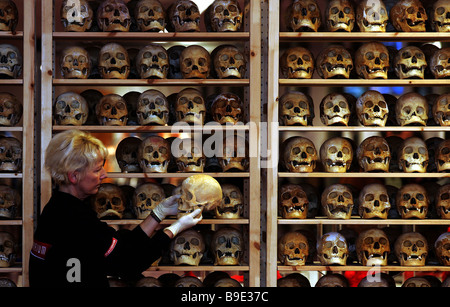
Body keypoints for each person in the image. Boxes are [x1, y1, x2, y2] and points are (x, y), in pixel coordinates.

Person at [29, 130, 202, 287]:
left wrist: (158, 214)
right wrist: (175, 229)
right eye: (97, 170)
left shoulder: (57, 209)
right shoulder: (75, 219)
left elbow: (120, 246)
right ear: (74, 176)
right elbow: (127, 264)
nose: (104, 174)